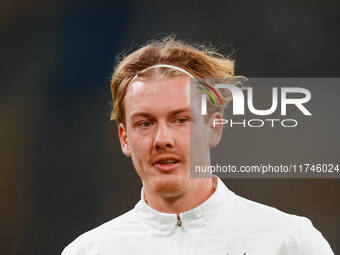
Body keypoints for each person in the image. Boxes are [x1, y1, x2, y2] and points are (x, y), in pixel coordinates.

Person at [61, 36, 334, 255]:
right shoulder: (89, 250)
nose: (162, 139)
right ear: (124, 138)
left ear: (214, 128)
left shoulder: (290, 241)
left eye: (181, 119)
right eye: (145, 123)